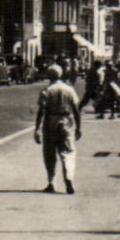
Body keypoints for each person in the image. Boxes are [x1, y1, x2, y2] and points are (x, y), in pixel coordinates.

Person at [33, 65, 82, 194]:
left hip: (50, 122)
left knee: (50, 153)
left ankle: (51, 182)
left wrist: (37, 128)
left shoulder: (46, 90)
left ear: (49, 76)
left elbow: (41, 111)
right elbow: (76, 110)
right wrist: (78, 127)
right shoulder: (69, 89)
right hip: (66, 121)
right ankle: (68, 178)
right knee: (68, 151)